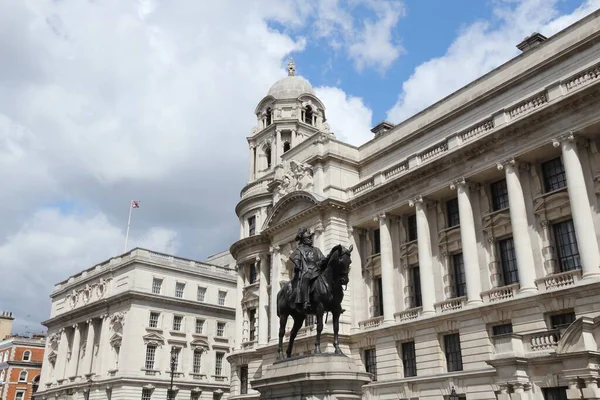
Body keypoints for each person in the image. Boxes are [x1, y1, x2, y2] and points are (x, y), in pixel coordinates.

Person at [290, 227, 327, 311]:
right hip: (306, 270)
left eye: (311, 237)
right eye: (308, 238)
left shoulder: (316, 250)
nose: (310, 239)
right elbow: (296, 261)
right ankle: (305, 301)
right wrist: (297, 267)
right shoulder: (299, 251)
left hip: (317, 270)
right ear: (303, 240)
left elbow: (323, 259)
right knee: (306, 277)